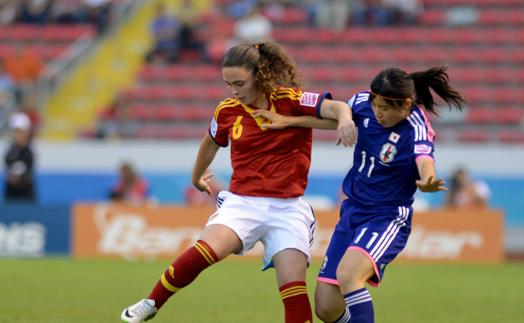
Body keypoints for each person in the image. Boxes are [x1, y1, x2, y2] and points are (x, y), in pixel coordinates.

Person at [120, 41, 357, 323]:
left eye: (240, 83)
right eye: (228, 84)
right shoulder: (227, 111)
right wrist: (196, 176)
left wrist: (343, 120)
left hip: (288, 208)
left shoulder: (290, 100)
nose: (234, 91)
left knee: (293, 287)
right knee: (203, 252)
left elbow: (338, 107)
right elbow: (210, 142)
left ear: (260, 75)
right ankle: (151, 303)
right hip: (243, 203)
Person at [252, 65, 466, 322]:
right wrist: (289, 121)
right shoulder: (362, 102)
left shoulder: (416, 127)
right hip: (352, 212)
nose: (378, 112)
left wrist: (428, 179)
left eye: (385, 108)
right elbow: (334, 121)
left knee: (349, 275)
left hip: (386, 216)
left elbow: (424, 159)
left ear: (406, 104)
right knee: (326, 306)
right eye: (376, 105)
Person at [3, 113, 36, 203]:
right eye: (15, 131)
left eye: (20, 131)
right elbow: (8, 171)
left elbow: (29, 174)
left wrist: (20, 179)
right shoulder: (9, 151)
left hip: (26, 196)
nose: (17, 135)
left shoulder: (30, 152)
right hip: (11, 195)